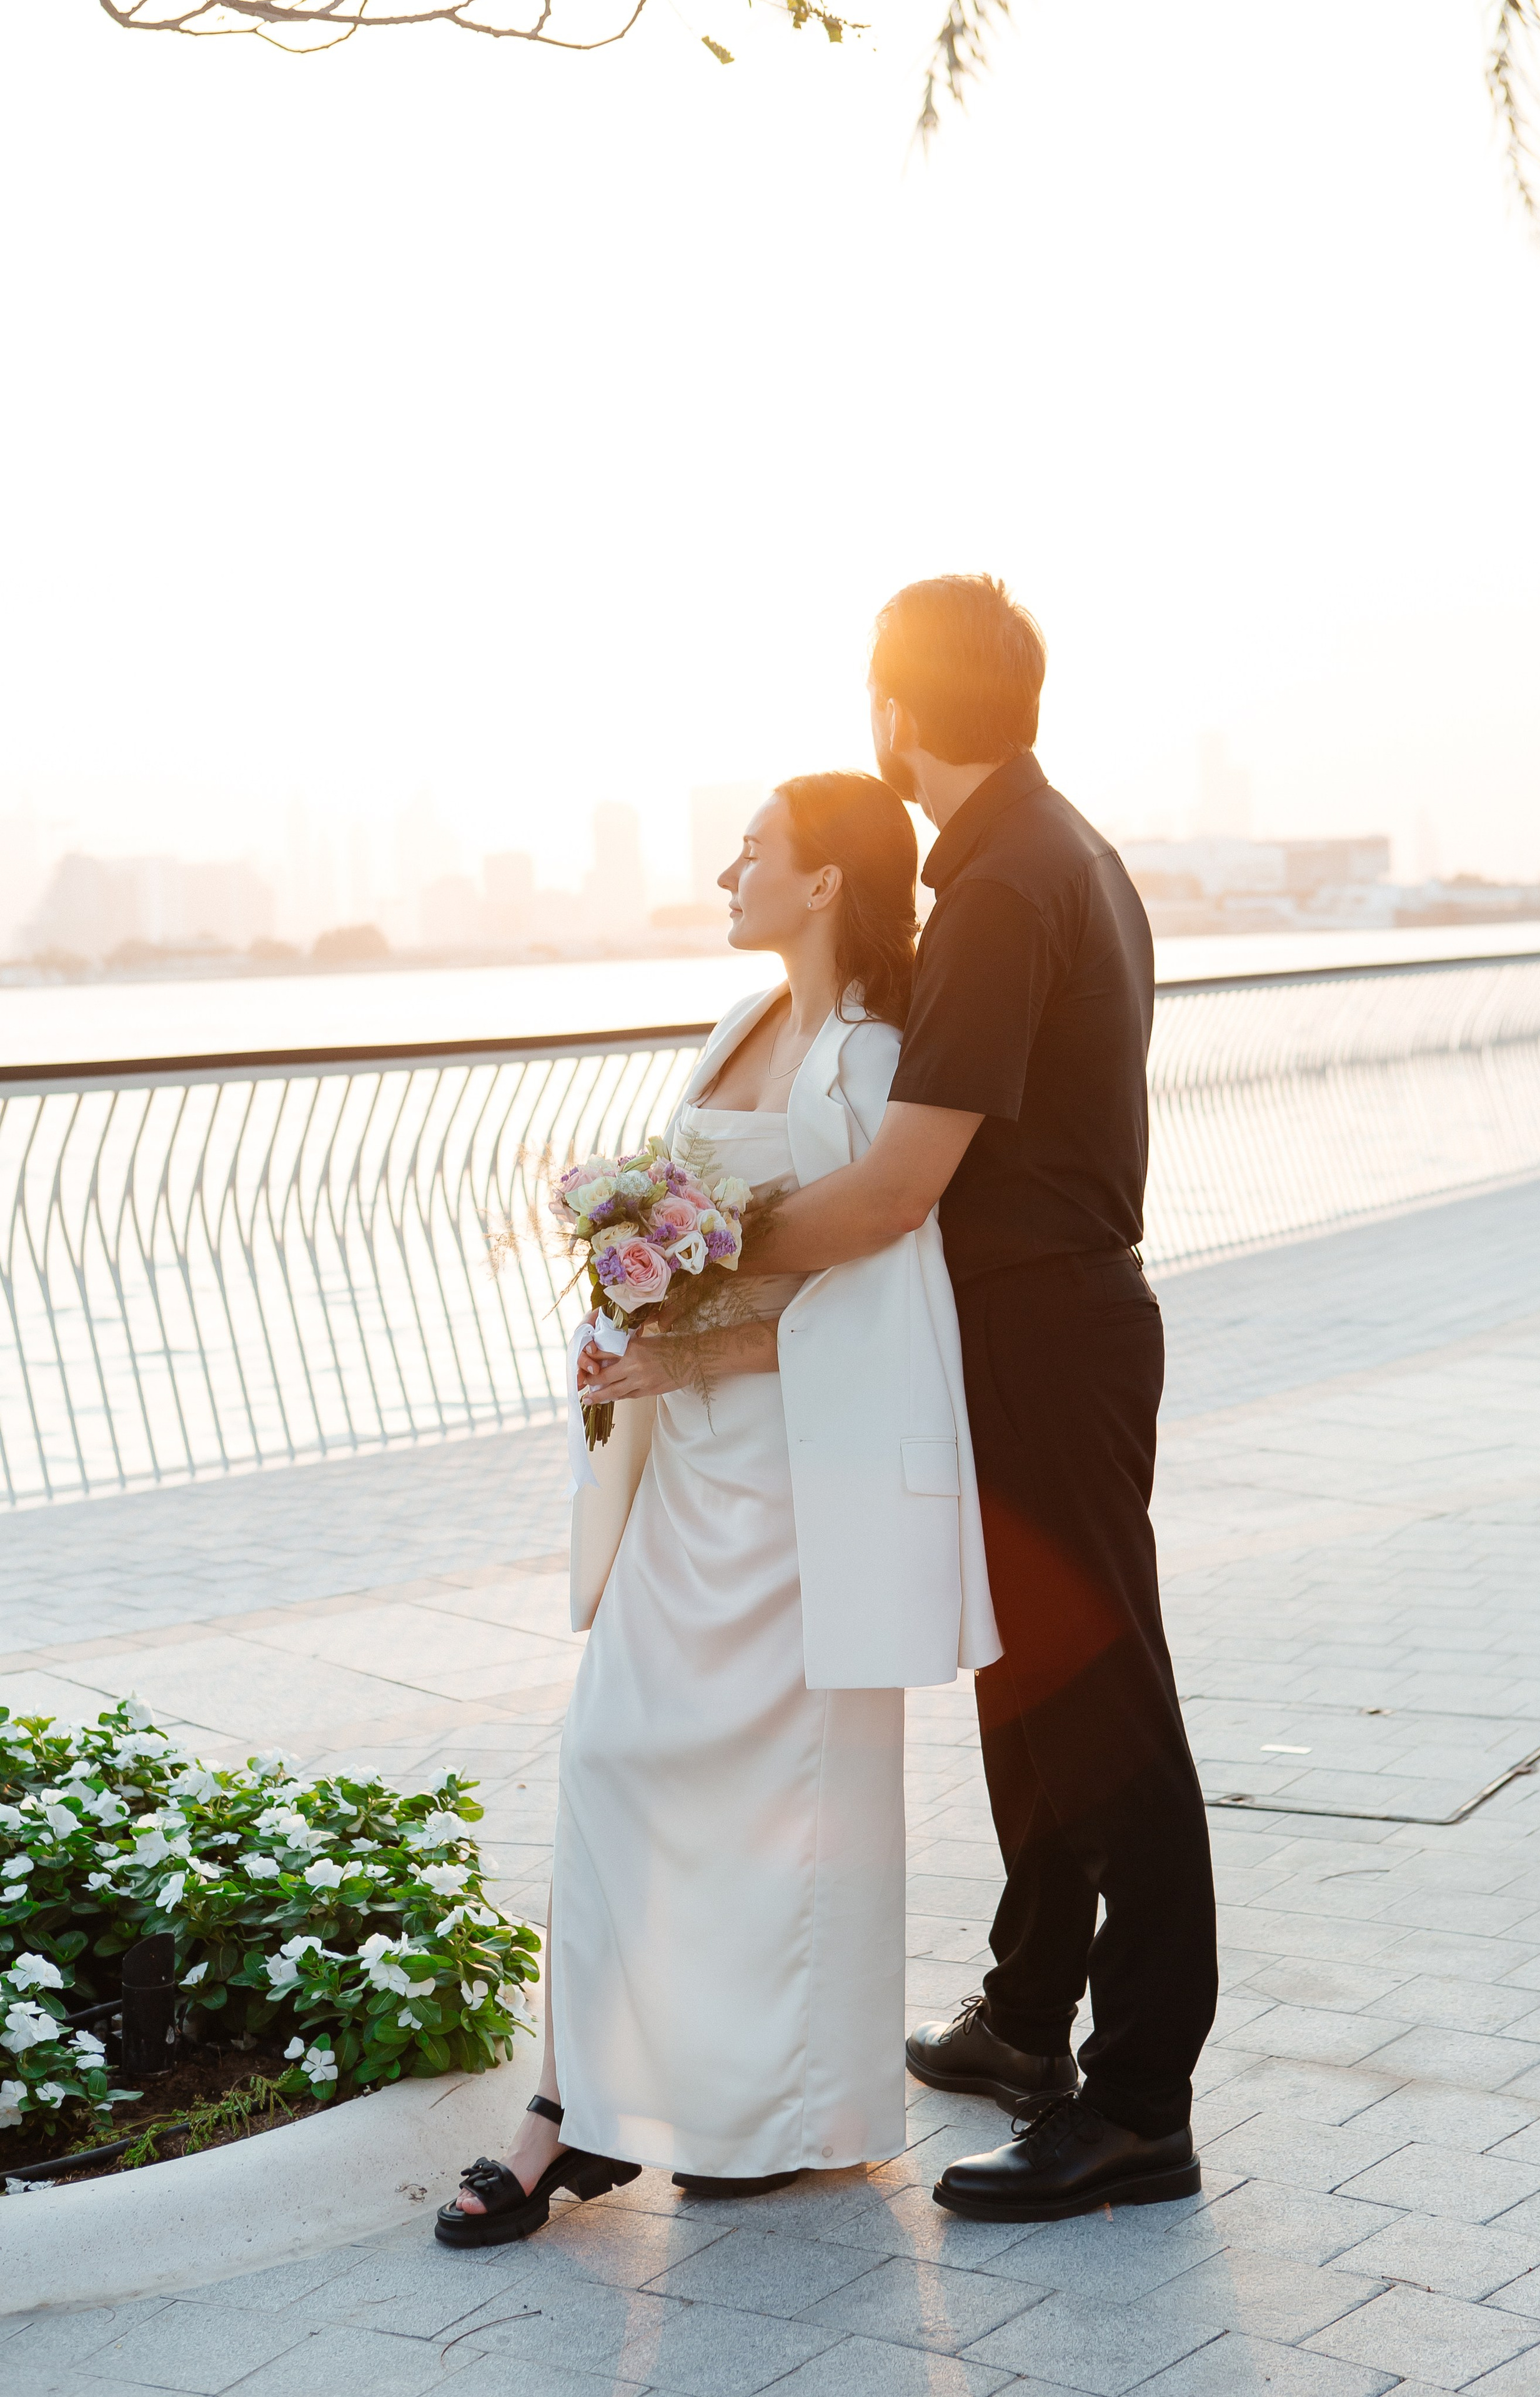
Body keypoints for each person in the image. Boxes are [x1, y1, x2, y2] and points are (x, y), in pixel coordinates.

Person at [435, 770, 999, 2248]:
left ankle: (762, 2120)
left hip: (801, 1488)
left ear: (823, 883)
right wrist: (629, 1309)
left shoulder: (874, 1053)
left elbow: (873, 1297)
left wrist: (680, 1335)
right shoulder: (742, 1023)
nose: (726, 871)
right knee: (611, 1757)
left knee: (789, 1811)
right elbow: (706, 1242)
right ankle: (577, 2105)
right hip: (689, 1466)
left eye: (754, 851)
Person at [745, 576, 1218, 2223]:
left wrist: (695, 1256)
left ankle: (1139, 2106)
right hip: (1048, 1320)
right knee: (1034, 1691)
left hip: (1043, 1326)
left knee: (1105, 1711)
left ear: (893, 713)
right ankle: (1029, 2020)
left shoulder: (1008, 885)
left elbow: (892, 1192)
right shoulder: (1053, 848)